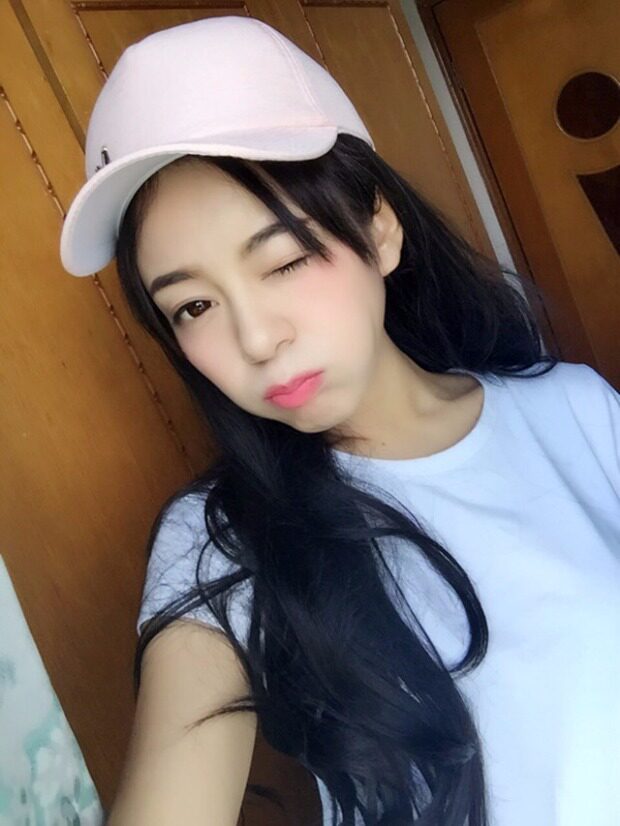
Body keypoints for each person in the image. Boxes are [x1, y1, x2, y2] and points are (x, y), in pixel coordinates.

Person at [59, 16, 620, 826]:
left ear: (379, 230)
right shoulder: (222, 538)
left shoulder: (576, 411)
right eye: (194, 306)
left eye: (284, 259)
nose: (257, 339)